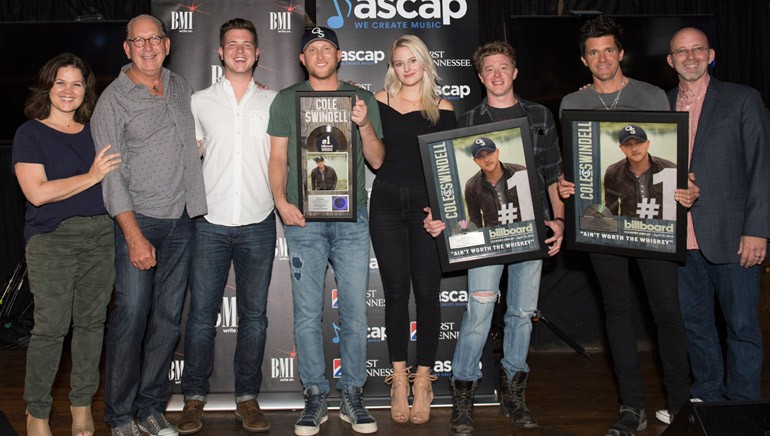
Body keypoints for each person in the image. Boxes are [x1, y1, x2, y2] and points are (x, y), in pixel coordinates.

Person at [557, 16, 696, 435]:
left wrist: (686, 186)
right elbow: (576, 167)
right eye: (593, 52)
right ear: (585, 60)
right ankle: (631, 406)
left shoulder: (653, 96)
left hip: (655, 224)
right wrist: (567, 184)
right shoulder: (571, 104)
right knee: (616, 312)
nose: (602, 58)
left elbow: (674, 153)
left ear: (620, 53)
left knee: (667, 313)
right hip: (604, 226)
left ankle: (680, 403)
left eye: (608, 50)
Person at [424, 41, 565, 435]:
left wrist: (560, 221)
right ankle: (463, 394)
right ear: (481, 76)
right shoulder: (468, 120)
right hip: (485, 239)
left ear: (514, 71)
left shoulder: (538, 114)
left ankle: (515, 394)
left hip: (531, 232)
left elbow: (553, 172)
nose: (497, 75)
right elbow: (449, 183)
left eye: (504, 67)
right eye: (489, 69)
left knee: (521, 314)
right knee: (479, 313)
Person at [91, 14, 207, 436]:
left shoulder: (180, 87)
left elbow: (190, 141)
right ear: (127, 49)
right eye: (138, 41)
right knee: (131, 317)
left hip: (182, 222)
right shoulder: (113, 100)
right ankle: (120, 416)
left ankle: (151, 408)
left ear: (166, 44)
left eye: (154, 38)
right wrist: (133, 235)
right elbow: (111, 175)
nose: (147, 47)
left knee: (167, 319)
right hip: (138, 221)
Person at [267, 26, 385, 436]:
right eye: (312, 49)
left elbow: (377, 160)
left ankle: (352, 393)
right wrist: (281, 202)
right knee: (306, 314)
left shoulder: (361, 98)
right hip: (303, 222)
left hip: (352, 220)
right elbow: (278, 157)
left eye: (327, 48)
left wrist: (365, 124)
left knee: (354, 310)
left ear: (340, 55)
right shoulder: (287, 100)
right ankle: (315, 393)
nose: (320, 54)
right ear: (302, 58)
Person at [175, 18, 276, 435]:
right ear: (220, 52)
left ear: (256, 54)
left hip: (258, 220)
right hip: (209, 223)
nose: (239, 50)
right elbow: (189, 155)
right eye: (231, 44)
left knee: (255, 318)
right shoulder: (198, 101)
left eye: (246, 45)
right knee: (200, 317)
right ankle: (194, 398)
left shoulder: (274, 103)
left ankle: (246, 398)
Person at [12, 53, 120, 436]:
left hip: (102, 236)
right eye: (61, 82)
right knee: (51, 328)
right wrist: (91, 176)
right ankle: (37, 413)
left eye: (76, 83)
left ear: (86, 90)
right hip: (52, 240)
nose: (68, 91)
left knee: (92, 325)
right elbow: (37, 194)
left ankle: (81, 408)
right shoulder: (31, 133)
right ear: (48, 86)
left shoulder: (96, 131)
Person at [666, 27, 770, 403]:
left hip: (733, 236)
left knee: (742, 328)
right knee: (696, 326)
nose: (690, 57)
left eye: (697, 50)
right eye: (682, 51)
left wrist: (757, 230)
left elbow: (762, 167)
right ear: (670, 60)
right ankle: (708, 402)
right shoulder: (659, 105)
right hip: (679, 240)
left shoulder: (742, 99)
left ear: (711, 55)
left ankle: (743, 409)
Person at [369, 34, 455, 425]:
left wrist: (439, 212)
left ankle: (424, 381)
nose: (405, 68)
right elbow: (373, 158)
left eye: (412, 61)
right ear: (392, 66)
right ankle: (399, 380)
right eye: (398, 62)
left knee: (428, 294)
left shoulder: (443, 108)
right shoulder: (378, 102)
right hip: (385, 204)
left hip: (426, 210)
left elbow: (448, 170)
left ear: (424, 63)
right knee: (395, 295)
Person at [603, 124, 676, 219]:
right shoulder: (613, 173)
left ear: (647, 143)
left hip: (663, 231)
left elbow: (679, 208)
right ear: (621, 148)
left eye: (638, 143)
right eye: (628, 144)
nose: (634, 149)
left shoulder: (670, 169)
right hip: (628, 230)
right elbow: (610, 211)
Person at [464, 137, 527, 227]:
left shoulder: (520, 172)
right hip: (494, 237)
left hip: (525, 233)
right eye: (480, 156)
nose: (486, 159)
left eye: (489, 153)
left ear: (497, 152)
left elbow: (533, 207)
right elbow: (475, 221)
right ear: (476, 161)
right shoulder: (472, 186)